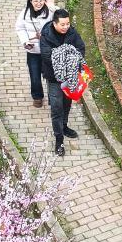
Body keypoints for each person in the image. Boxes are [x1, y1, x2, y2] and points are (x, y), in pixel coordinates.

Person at [38, 9, 86, 156]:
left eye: (68, 23)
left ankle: (64, 126)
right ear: (55, 23)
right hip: (54, 78)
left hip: (70, 78)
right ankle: (59, 139)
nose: (66, 27)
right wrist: (67, 57)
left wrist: (70, 60)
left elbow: (81, 49)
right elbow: (47, 56)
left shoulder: (72, 33)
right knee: (56, 108)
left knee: (67, 103)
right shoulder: (46, 35)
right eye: (62, 24)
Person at [15, 0, 54, 108]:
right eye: (36, 1)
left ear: (45, 0)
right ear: (30, 1)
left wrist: (53, 7)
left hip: (48, 50)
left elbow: (62, 20)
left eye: (41, 1)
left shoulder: (51, 12)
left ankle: (53, 98)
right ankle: (37, 97)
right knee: (35, 75)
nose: (38, 3)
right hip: (33, 51)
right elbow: (20, 28)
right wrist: (25, 41)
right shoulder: (24, 13)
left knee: (51, 75)